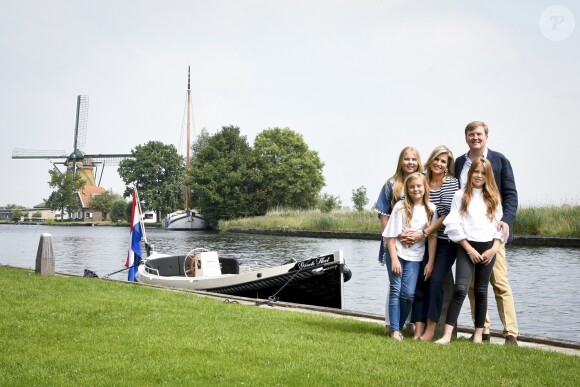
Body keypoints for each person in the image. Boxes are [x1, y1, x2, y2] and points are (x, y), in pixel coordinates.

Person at [455, 121, 519, 345]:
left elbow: (510, 196)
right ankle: (483, 331)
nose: (475, 138)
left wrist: (506, 222)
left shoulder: (500, 161)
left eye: (479, 134)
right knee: (473, 286)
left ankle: (510, 333)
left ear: (486, 136)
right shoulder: (459, 163)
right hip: (469, 238)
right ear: (466, 138)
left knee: (500, 283)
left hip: (493, 236)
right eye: (471, 134)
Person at [435, 158, 503, 344]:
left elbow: (499, 227)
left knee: (481, 291)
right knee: (460, 289)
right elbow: (454, 224)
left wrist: (493, 249)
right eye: (476, 171)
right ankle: (447, 335)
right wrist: (469, 249)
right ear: (470, 173)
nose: (479, 176)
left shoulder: (494, 198)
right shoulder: (460, 196)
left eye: (483, 173)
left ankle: (478, 335)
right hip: (466, 247)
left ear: (488, 176)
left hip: (488, 248)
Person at [400, 146, 460, 340]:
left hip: (445, 241)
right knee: (419, 283)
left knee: (435, 282)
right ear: (430, 160)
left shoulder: (451, 183)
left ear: (447, 165)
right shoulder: (422, 178)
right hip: (422, 242)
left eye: (443, 161)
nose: (439, 164)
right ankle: (418, 328)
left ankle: (431, 330)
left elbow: (445, 213)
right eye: (436, 159)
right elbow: (407, 201)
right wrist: (408, 234)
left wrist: (423, 232)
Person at [382, 172, 437, 341]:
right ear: (407, 188)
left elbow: (432, 238)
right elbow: (390, 237)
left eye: (419, 186)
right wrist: (395, 259)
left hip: (415, 258)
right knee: (395, 290)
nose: (416, 189)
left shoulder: (431, 209)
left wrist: (431, 263)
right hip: (396, 254)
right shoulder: (400, 207)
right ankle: (396, 331)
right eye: (412, 186)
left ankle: (396, 325)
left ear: (425, 187)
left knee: (408, 294)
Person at [375, 146, 423, 333]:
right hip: (395, 240)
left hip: (417, 243)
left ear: (419, 161)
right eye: (406, 159)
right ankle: (391, 323)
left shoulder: (422, 182)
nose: (410, 162)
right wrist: (395, 235)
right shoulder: (392, 184)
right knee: (395, 283)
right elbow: (383, 214)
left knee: (411, 286)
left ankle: (410, 320)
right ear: (400, 161)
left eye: (414, 159)